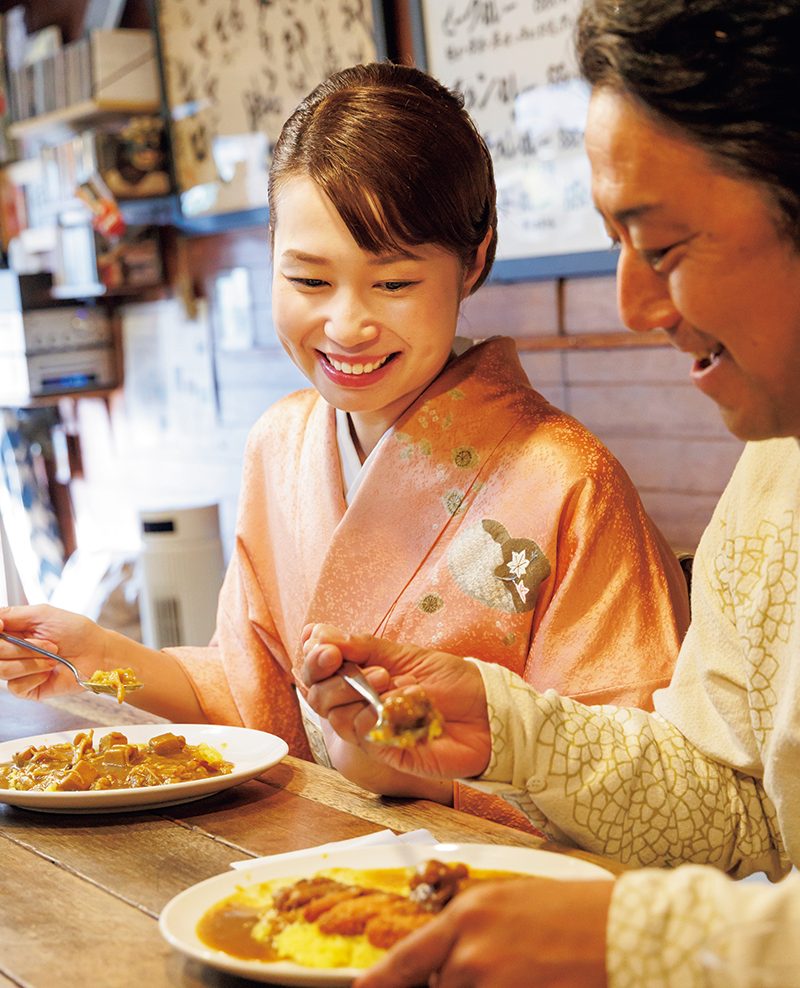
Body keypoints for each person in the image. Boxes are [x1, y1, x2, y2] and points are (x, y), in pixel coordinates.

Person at [0, 62, 688, 826]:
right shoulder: (281, 446)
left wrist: (419, 774)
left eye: (393, 284)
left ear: (476, 259)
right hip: (315, 877)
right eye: (309, 281)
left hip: (509, 907)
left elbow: (647, 780)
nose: (347, 326)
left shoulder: (567, 481)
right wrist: (97, 657)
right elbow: (253, 699)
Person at [301, 3, 800, 985]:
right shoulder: (773, 471)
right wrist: (511, 728)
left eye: (659, 248)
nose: (631, 305)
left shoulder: (568, 472)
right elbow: (742, 811)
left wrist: (637, 935)